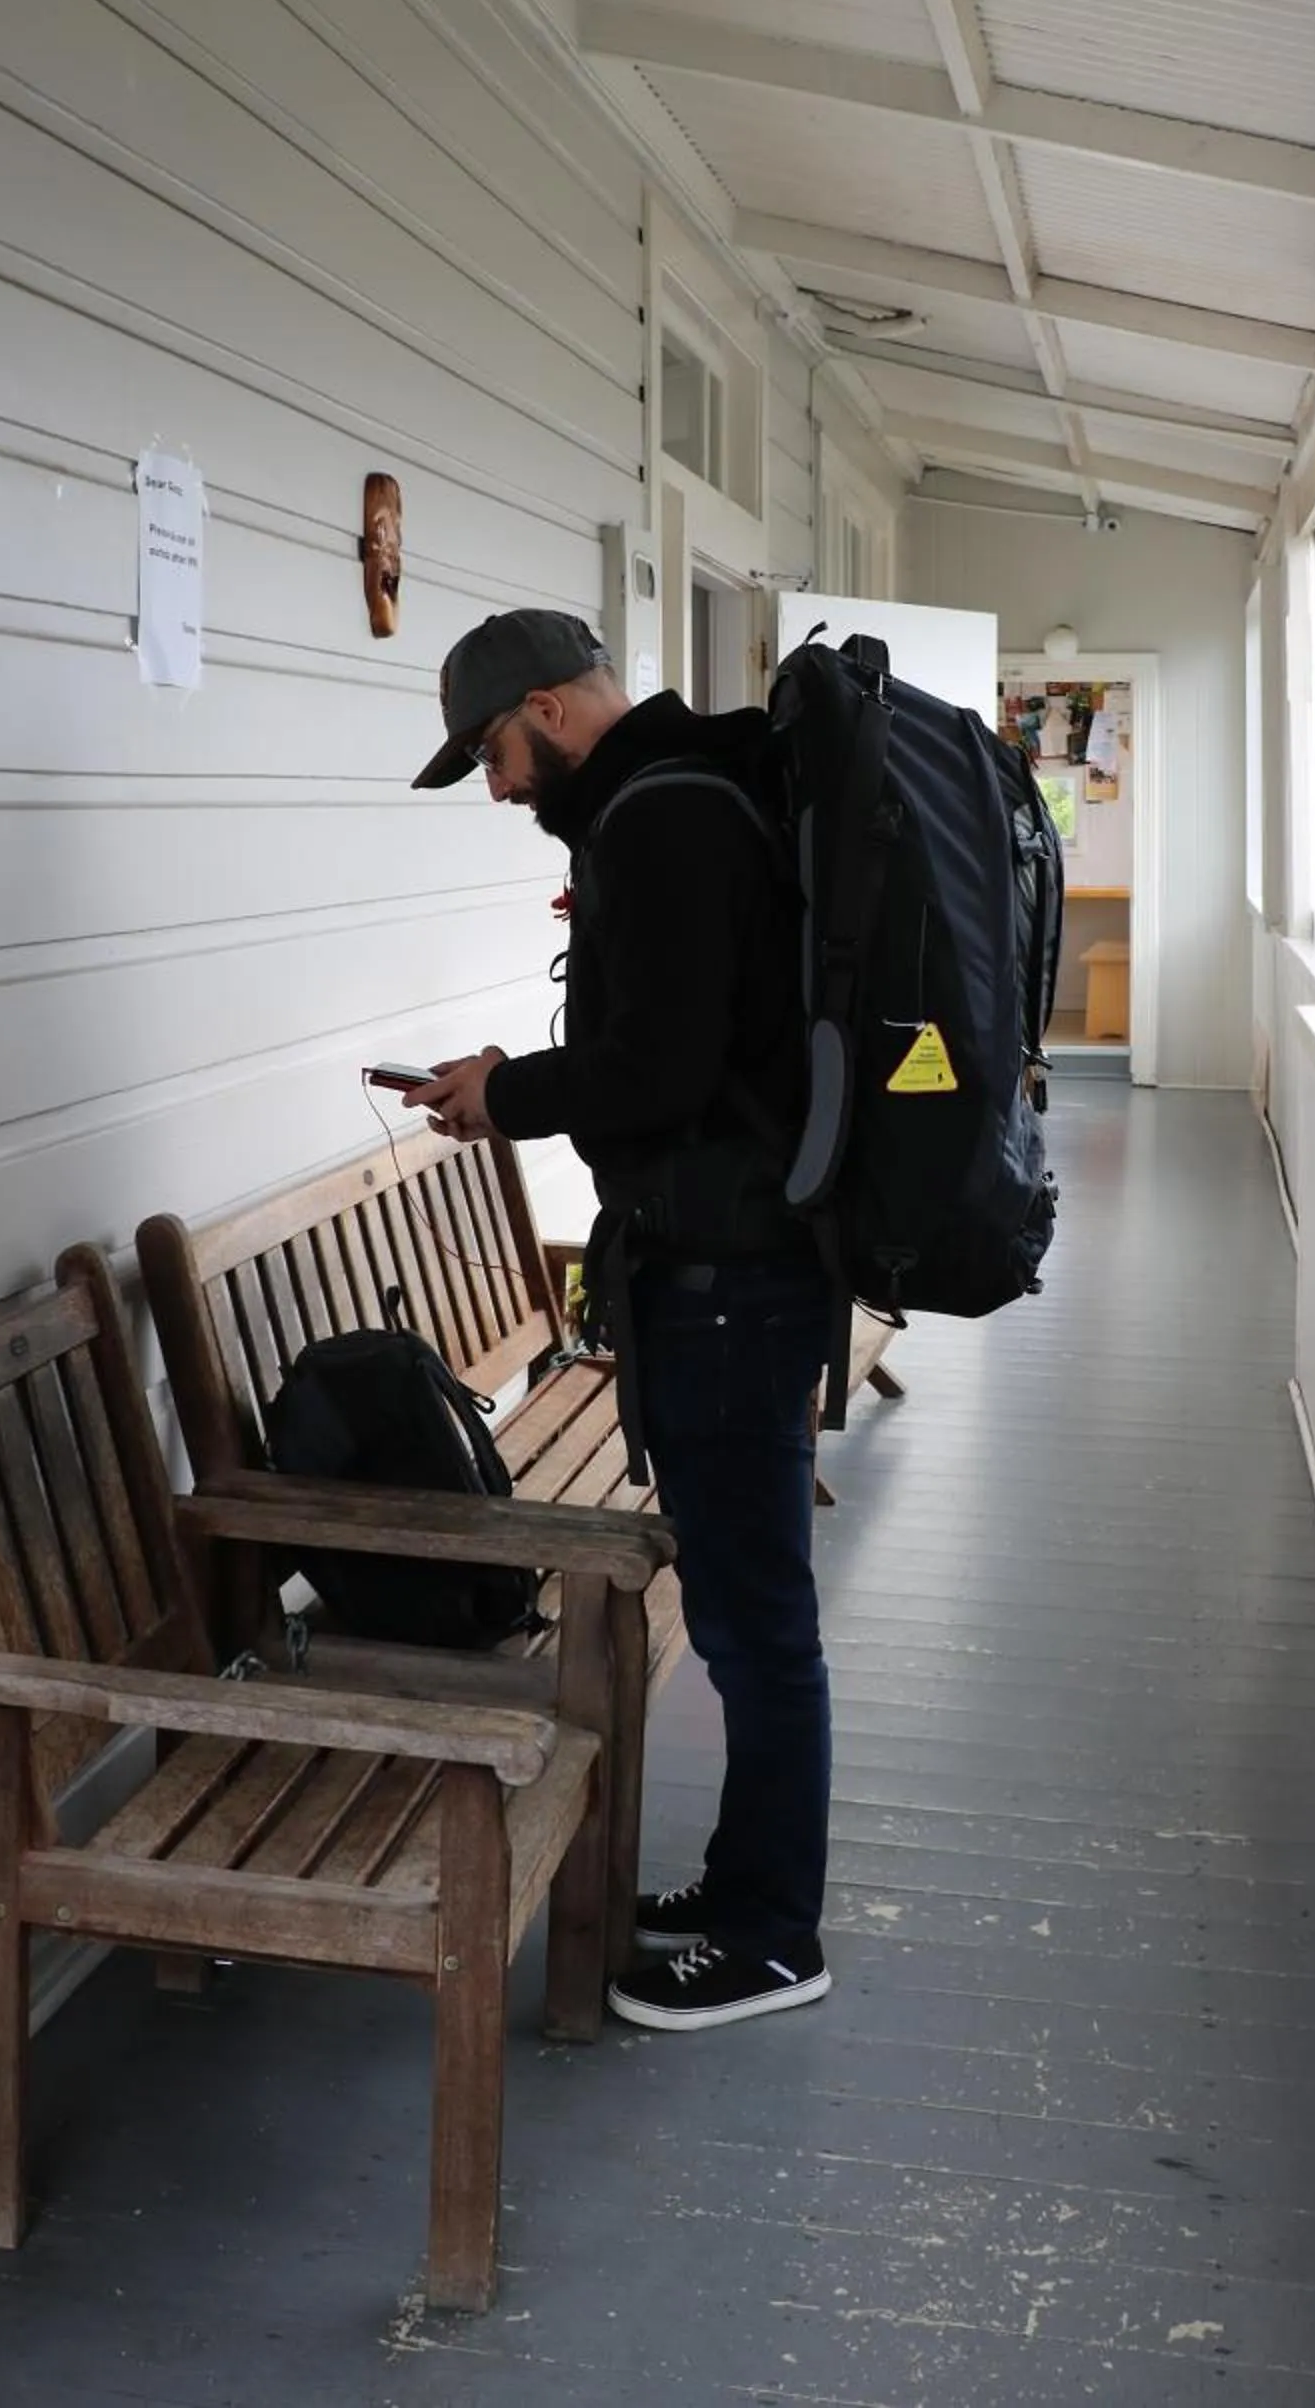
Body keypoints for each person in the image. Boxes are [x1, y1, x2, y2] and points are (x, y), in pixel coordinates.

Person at [404, 608, 834, 2032]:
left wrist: (506, 1095)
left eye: (494, 752)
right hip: (729, 1277)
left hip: (728, 1286)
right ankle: (742, 1891)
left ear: (551, 709)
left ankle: (774, 1934)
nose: (499, 789)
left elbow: (658, 1073)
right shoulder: (692, 794)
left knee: (758, 1627)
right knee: (741, 1615)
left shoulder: (660, 822)